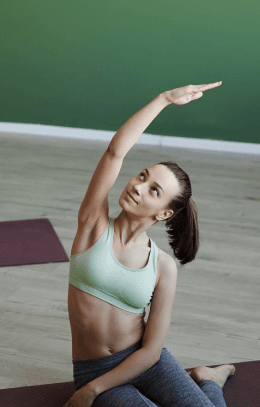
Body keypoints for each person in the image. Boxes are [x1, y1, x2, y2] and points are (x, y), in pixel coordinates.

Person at [64, 82, 235, 407]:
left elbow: (151, 350)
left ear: (164, 213)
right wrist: (164, 100)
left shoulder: (163, 266)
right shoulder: (93, 225)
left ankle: (210, 380)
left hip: (146, 363)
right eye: (142, 176)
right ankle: (208, 381)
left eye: (154, 190)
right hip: (93, 368)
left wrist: (90, 395)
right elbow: (116, 151)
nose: (139, 187)